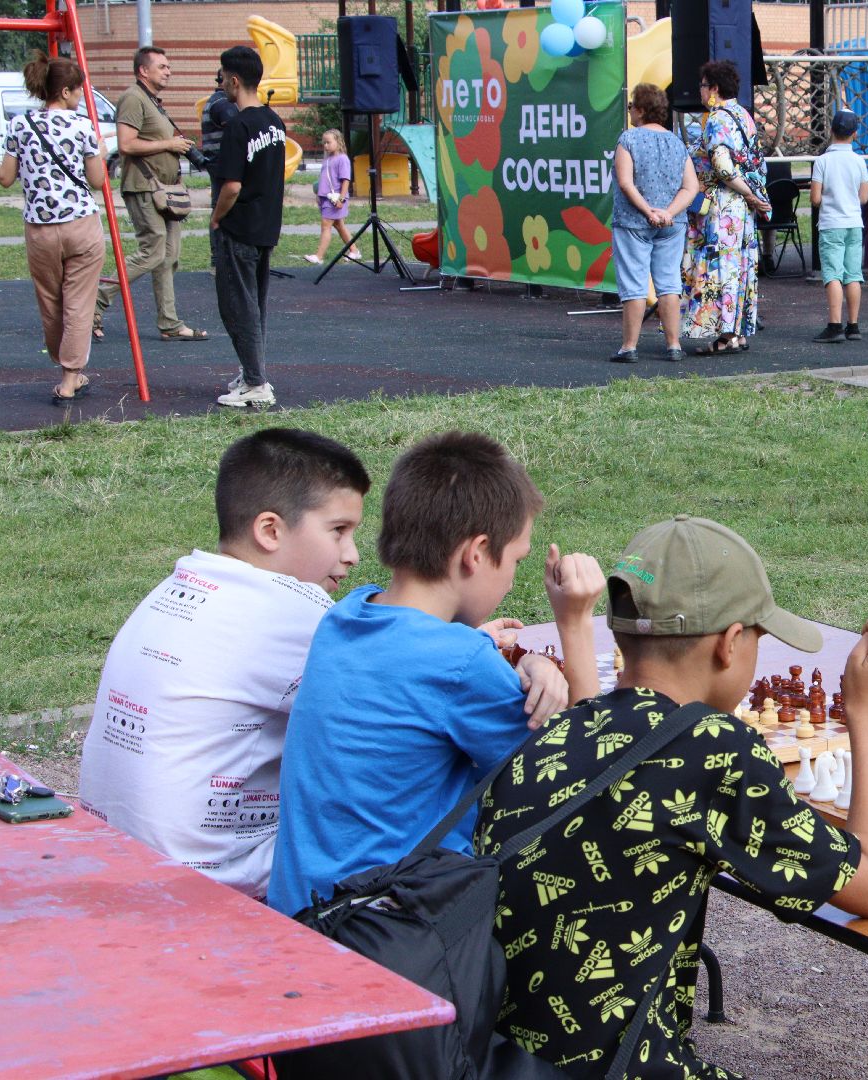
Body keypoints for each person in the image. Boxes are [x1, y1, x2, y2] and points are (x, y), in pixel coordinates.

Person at [478, 515, 868, 1077]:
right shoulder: (712, 748)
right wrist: (867, 709)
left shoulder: (565, 729)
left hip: (503, 1059)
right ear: (732, 644)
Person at [266, 431, 600, 916]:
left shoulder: (345, 618)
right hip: (384, 938)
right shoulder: (458, 663)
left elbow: (420, 679)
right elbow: (585, 779)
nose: (511, 578)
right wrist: (575, 625)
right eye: (515, 561)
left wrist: (523, 659)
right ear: (477, 553)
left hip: (300, 912)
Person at [78, 429, 370, 898]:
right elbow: (401, 706)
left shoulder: (179, 585)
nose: (352, 555)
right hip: (209, 884)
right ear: (270, 530)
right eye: (338, 531)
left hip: (114, 851)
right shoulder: (295, 612)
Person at [0, 51, 106, 403]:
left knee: (50, 302)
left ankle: (67, 368)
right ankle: (70, 376)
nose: (79, 97)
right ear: (65, 92)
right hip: (81, 225)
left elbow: (5, 178)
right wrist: (99, 152)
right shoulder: (82, 126)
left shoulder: (19, 125)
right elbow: (96, 180)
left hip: (40, 229)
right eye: (77, 91)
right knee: (79, 304)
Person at [93, 45, 209, 343]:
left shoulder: (153, 102)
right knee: (152, 252)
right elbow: (127, 144)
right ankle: (97, 300)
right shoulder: (133, 98)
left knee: (169, 257)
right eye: (162, 66)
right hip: (144, 187)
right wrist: (169, 145)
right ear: (143, 70)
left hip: (165, 191)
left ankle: (169, 323)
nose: (168, 71)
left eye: (168, 66)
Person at [210, 46, 287, 409]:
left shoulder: (239, 126)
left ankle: (256, 382)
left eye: (222, 77)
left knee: (238, 307)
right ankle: (252, 373)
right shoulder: (275, 121)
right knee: (255, 306)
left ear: (235, 80)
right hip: (266, 226)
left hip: (239, 227)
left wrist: (216, 216)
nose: (220, 83)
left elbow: (232, 185)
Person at [682, 59, 770, 356]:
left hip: (724, 206)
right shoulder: (744, 115)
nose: (700, 90)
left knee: (722, 267)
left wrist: (750, 195)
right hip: (742, 208)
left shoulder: (717, 118)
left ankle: (725, 335)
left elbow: (723, 168)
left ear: (714, 88)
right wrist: (753, 198)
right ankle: (739, 332)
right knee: (741, 266)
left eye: (703, 85)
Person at [611, 82, 698, 363]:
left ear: (640, 110)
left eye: (631, 106)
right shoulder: (677, 142)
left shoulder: (629, 140)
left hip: (633, 222)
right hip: (672, 225)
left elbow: (625, 182)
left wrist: (648, 211)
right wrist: (667, 213)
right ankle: (673, 345)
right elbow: (690, 187)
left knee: (634, 285)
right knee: (669, 283)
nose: (630, 112)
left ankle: (629, 347)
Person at [810, 109, 868, 344]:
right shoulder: (859, 162)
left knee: (833, 274)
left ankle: (834, 325)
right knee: (853, 275)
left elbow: (815, 199)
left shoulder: (822, 161)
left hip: (831, 224)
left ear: (831, 130)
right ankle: (853, 325)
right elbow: (863, 197)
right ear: (854, 134)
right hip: (854, 223)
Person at [199, 68, 238, 267]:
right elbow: (238, 127)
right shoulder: (222, 103)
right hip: (223, 164)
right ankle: (220, 259)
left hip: (217, 164)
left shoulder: (215, 100)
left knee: (219, 207)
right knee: (222, 209)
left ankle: (219, 259)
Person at [307, 128, 357, 266]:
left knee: (326, 225)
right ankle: (354, 250)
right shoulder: (328, 159)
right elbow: (324, 178)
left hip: (335, 199)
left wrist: (341, 198)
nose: (325, 145)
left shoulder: (342, 159)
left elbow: (346, 180)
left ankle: (319, 256)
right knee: (339, 225)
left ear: (338, 141)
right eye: (324, 143)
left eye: (328, 142)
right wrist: (319, 194)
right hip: (325, 197)